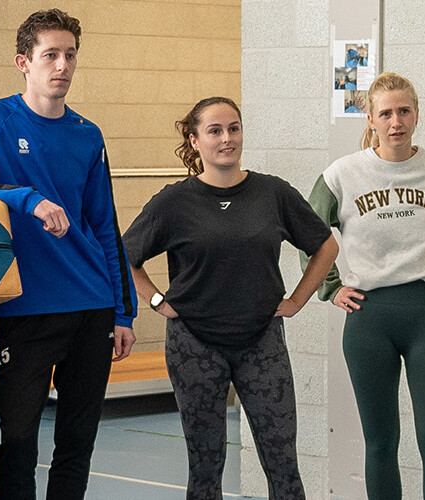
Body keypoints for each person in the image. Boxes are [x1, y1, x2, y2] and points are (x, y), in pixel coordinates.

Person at [0, 9, 136, 500]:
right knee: (19, 441)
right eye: (50, 55)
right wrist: (27, 199)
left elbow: (104, 227)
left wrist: (123, 310)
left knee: (77, 442)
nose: (62, 66)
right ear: (23, 62)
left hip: (91, 307)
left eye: (70, 55)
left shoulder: (88, 135)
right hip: (25, 310)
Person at [124, 97, 338, 500]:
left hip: (261, 341)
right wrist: (155, 301)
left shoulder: (272, 193)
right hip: (194, 345)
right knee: (205, 466)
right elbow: (124, 256)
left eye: (234, 129)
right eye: (215, 131)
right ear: (195, 140)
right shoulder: (173, 202)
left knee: (282, 463)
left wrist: (296, 300)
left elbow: (326, 247)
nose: (227, 139)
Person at [306, 72, 425, 500]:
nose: (396, 122)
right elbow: (308, 232)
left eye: (404, 111)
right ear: (370, 118)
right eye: (386, 113)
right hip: (368, 320)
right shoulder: (342, 175)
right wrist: (330, 287)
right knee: (380, 444)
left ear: (416, 114)